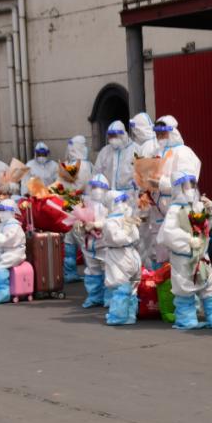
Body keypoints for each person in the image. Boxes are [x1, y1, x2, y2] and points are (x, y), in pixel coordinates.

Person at [156, 171, 212, 330]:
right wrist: (188, 241)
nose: (190, 188)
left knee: (209, 286)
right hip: (183, 259)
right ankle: (188, 320)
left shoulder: (198, 205)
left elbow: (208, 223)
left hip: (202, 255)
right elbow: (167, 234)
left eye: (192, 184)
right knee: (184, 289)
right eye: (185, 185)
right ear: (177, 188)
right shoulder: (174, 210)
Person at [153, 116, 201, 265]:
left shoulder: (183, 152)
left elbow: (185, 184)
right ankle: (165, 284)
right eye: (157, 133)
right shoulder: (158, 152)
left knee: (181, 248)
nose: (160, 137)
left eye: (163, 133)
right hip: (159, 210)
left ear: (172, 132)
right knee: (161, 251)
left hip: (179, 209)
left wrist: (159, 183)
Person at [101, 190, 142, 325]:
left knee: (133, 287)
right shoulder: (109, 223)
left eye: (125, 201)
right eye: (120, 201)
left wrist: (130, 226)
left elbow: (135, 237)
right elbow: (117, 239)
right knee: (121, 287)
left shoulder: (125, 219)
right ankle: (118, 316)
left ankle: (130, 315)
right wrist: (128, 228)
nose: (124, 205)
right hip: (117, 256)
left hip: (130, 253)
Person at [128, 112, 161, 265]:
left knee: (146, 236)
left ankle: (150, 272)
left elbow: (145, 178)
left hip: (147, 199)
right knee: (153, 235)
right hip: (155, 198)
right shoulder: (155, 144)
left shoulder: (147, 147)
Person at [60, 134, 94, 283]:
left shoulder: (69, 164)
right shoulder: (85, 165)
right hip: (80, 203)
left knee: (69, 239)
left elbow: (64, 186)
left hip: (69, 203)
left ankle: (70, 272)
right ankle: (92, 272)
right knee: (82, 239)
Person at [80, 173, 111, 309]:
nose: (96, 190)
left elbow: (109, 223)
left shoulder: (108, 207)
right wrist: (82, 226)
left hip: (103, 245)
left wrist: (97, 225)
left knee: (107, 271)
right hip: (89, 244)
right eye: (93, 187)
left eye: (100, 187)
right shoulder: (85, 206)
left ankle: (109, 298)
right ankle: (94, 297)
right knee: (92, 271)